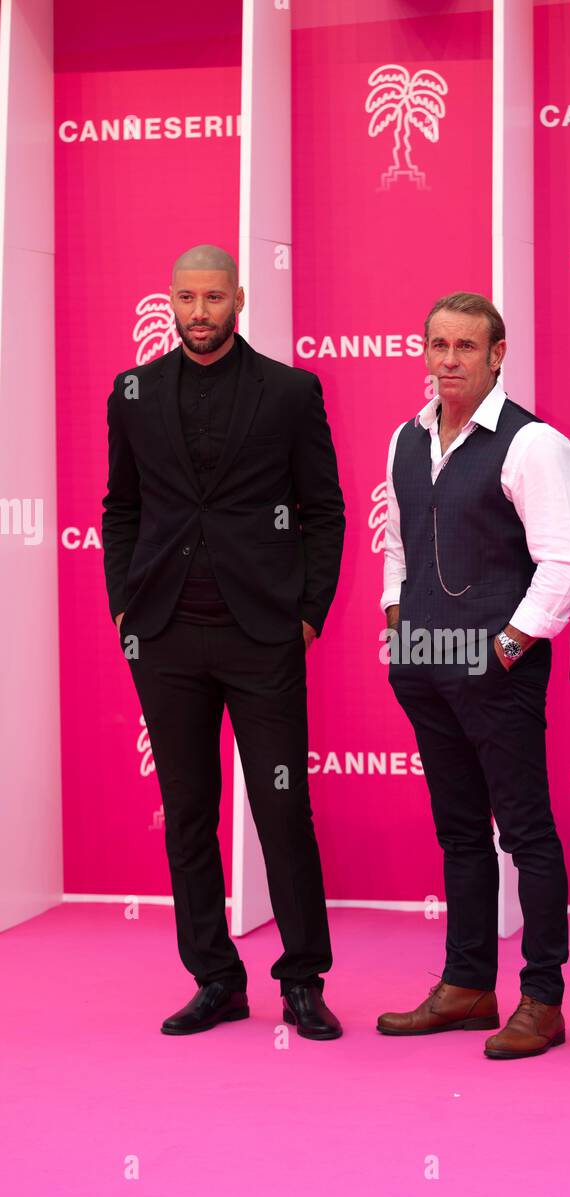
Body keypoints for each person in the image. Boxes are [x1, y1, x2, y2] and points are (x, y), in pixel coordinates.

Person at [102, 244, 345, 1040]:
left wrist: (307, 610)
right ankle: (215, 978)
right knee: (186, 815)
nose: (199, 311)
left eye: (213, 296)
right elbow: (121, 507)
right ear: (169, 301)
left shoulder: (288, 391)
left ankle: (303, 979)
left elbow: (323, 509)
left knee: (282, 807)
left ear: (237, 298)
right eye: (186, 297)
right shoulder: (132, 394)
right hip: (166, 634)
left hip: (261, 635)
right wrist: (122, 607)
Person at [376, 292, 570, 1059]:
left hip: (498, 672)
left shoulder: (533, 445)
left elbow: (565, 564)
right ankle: (466, 985)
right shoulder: (406, 438)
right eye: (437, 346)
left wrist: (505, 649)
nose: (449, 361)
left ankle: (542, 998)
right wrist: (398, 628)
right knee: (459, 830)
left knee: (525, 832)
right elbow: (398, 547)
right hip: (424, 672)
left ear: (497, 355)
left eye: (466, 347)